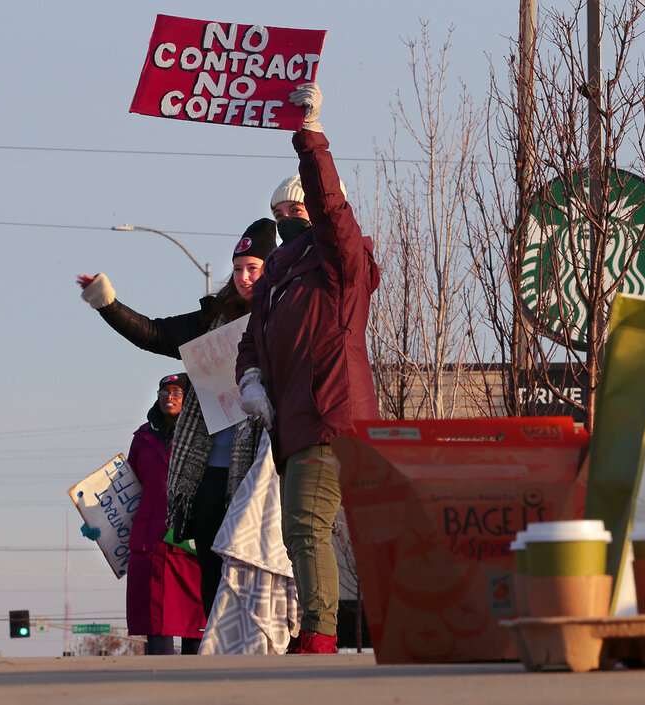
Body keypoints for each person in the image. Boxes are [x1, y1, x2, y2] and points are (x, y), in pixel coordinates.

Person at [235, 83, 381, 654]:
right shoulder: (276, 279)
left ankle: (319, 635)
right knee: (308, 532)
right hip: (292, 426)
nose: (286, 219)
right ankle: (324, 627)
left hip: (330, 413)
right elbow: (252, 344)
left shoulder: (340, 261)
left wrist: (310, 137)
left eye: (294, 210)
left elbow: (330, 208)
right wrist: (250, 381)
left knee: (304, 525)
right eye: (278, 214)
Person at [77, 217, 276, 616]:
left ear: (273, 268)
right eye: (238, 269)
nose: (244, 277)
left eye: (254, 268)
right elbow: (154, 334)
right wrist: (107, 304)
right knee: (211, 563)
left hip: (261, 467)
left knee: (258, 567)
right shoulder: (212, 321)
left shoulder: (286, 319)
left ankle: (260, 649)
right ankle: (219, 645)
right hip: (207, 468)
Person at [124, 373, 205, 654]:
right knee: (155, 624)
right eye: (164, 391)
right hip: (150, 543)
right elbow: (128, 490)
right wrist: (99, 523)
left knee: (196, 623)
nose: (169, 396)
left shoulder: (202, 436)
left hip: (188, 543)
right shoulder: (142, 438)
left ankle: (197, 693)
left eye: (176, 392)